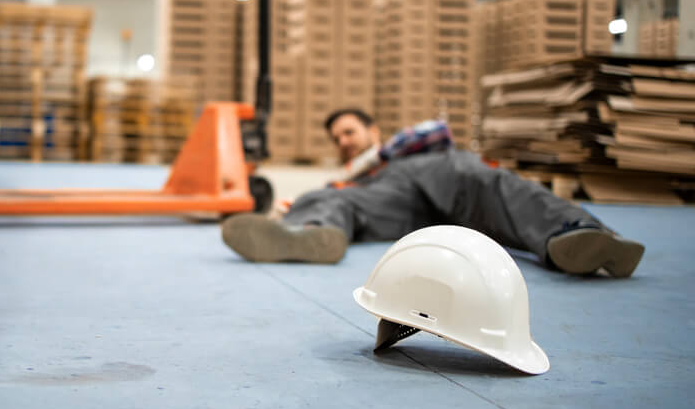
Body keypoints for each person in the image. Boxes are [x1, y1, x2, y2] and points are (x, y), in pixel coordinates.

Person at [222, 108, 645, 277]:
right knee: (333, 197)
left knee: (490, 183)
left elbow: (438, 131)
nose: (344, 141)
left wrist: (377, 156)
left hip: (434, 176)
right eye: (337, 138)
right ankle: (308, 235)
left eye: (349, 131)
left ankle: (580, 237)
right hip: (390, 199)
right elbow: (342, 188)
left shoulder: (410, 146)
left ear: (372, 131)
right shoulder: (353, 175)